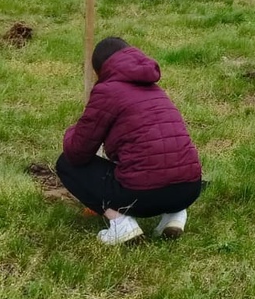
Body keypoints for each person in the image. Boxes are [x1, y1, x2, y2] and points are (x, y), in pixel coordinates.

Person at [57, 37, 203, 245]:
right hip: (189, 189)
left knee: (67, 163)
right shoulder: (155, 89)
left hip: (142, 194)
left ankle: (122, 225)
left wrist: (75, 129)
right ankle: (175, 215)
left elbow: (78, 152)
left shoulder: (107, 91)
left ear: (100, 70)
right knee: (164, 161)